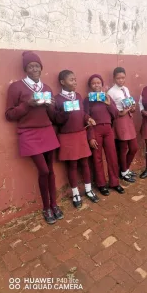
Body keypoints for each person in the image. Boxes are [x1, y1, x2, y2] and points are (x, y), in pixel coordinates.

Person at [5, 51, 63, 225]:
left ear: (41, 68)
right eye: (31, 66)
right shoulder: (16, 87)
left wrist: (52, 106)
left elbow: (51, 116)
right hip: (29, 133)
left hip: (46, 131)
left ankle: (54, 204)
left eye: (37, 66)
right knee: (43, 171)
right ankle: (46, 207)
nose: (34, 69)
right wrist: (26, 104)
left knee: (51, 170)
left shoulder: (46, 89)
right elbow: (9, 115)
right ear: (25, 69)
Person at [54, 70, 99, 209]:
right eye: (71, 80)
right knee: (72, 166)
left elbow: (83, 113)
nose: (75, 82)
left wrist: (88, 118)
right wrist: (65, 113)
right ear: (62, 82)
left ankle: (88, 189)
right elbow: (56, 120)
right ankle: (75, 193)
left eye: (75, 79)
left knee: (85, 163)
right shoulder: (58, 99)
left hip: (80, 134)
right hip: (67, 136)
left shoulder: (78, 96)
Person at [84, 74, 125, 196]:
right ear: (90, 86)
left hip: (108, 130)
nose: (96, 85)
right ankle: (101, 184)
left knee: (112, 156)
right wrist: (90, 136)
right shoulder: (87, 100)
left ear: (102, 84)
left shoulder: (107, 97)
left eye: (98, 83)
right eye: (93, 83)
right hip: (95, 130)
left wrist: (108, 103)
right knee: (97, 158)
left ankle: (114, 182)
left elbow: (116, 114)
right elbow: (86, 117)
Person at [107, 67, 138, 183]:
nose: (121, 80)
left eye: (123, 78)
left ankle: (125, 168)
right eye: (118, 78)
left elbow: (129, 102)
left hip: (128, 119)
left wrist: (133, 108)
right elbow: (110, 109)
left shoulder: (126, 89)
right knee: (123, 148)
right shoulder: (111, 92)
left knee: (134, 147)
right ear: (114, 78)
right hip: (120, 120)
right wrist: (121, 113)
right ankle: (124, 172)